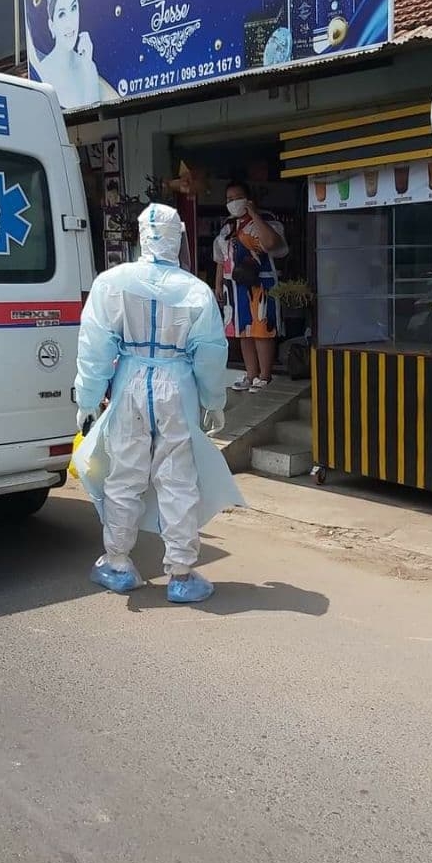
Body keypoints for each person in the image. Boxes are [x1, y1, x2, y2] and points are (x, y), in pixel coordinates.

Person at [73, 203, 244, 603]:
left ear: (140, 234)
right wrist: (212, 399)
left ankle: (117, 564)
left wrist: (87, 397)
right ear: (178, 237)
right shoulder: (195, 290)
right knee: (178, 478)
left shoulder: (112, 283)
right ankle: (181, 574)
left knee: (124, 476)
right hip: (176, 383)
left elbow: (94, 346)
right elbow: (210, 353)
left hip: (130, 378)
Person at [213, 181, 288, 391]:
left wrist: (254, 214)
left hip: (260, 283)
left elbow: (272, 244)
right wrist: (218, 284)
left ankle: (264, 376)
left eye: (237, 198)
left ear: (248, 198)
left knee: (261, 329)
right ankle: (250, 374)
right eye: (228, 199)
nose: (233, 203)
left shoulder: (268, 221)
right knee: (242, 330)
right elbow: (220, 258)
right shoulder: (227, 226)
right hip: (234, 285)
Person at [35, 0, 104, 110]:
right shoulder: (42, 73)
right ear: (51, 25)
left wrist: (88, 67)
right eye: (61, 14)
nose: (70, 22)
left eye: (73, 8)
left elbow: (95, 113)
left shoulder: (88, 67)